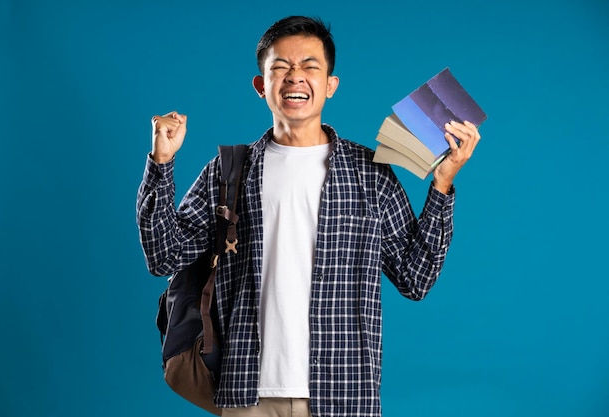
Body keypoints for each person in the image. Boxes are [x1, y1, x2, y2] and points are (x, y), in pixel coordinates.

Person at [137, 15, 481, 417]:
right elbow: (164, 257)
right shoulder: (228, 170)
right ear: (261, 85)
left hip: (345, 393)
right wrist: (162, 162)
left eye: (310, 67)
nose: (295, 77)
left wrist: (442, 185)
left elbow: (415, 279)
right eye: (281, 67)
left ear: (331, 85)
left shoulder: (370, 174)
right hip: (247, 392)